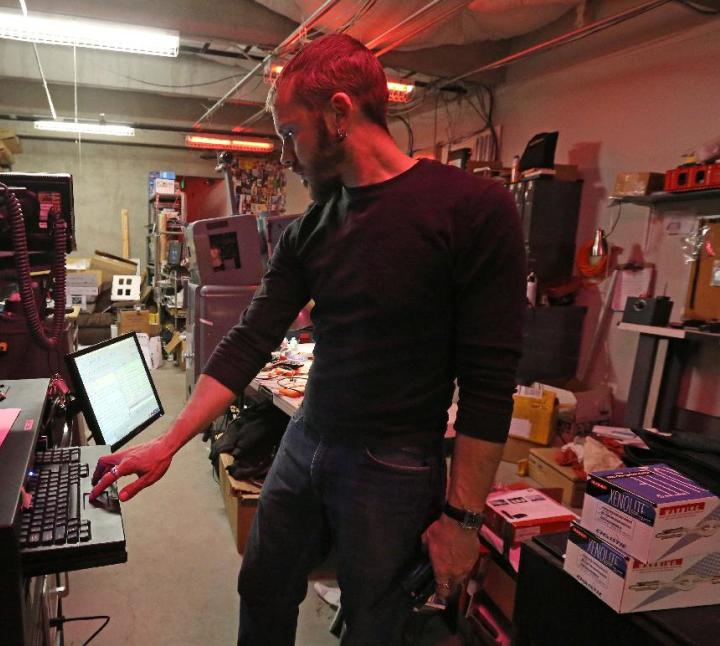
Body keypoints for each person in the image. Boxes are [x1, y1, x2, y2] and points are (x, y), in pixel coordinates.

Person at [90, 34, 525, 645]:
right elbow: (249, 339)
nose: (286, 155)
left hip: (393, 461)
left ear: (340, 114)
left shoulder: (471, 208)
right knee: (262, 587)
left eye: (290, 133)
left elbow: (489, 383)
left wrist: (462, 520)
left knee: (377, 627)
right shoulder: (312, 228)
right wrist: (171, 441)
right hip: (308, 437)